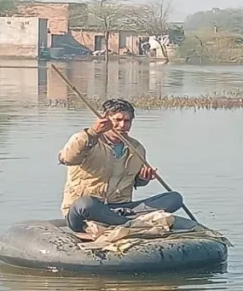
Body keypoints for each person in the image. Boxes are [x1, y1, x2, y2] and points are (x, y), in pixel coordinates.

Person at [57, 98, 184, 233]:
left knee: (174, 198)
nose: (123, 125)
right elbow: (68, 158)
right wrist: (93, 132)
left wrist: (143, 178)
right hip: (88, 210)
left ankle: (122, 222)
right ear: (106, 119)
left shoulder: (136, 148)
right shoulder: (85, 140)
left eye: (127, 121)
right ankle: (130, 224)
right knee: (85, 204)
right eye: (117, 120)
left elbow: (135, 182)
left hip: (121, 209)